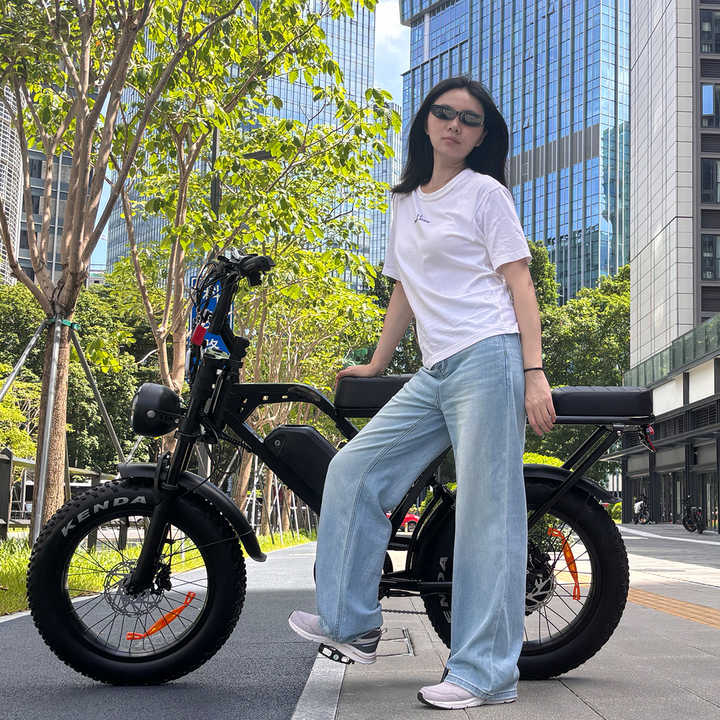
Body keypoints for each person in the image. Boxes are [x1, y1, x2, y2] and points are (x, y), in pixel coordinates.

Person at [288, 76, 556, 710]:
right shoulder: (404, 201)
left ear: (482, 136)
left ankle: (484, 674)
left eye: (470, 119)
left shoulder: (485, 193)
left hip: (489, 356)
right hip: (435, 371)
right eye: (444, 113)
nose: (455, 125)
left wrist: (533, 370)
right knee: (353, 470)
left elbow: (519, 283)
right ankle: (351, 624)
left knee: (486, 518)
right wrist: (376, 363)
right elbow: (404, 288)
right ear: (426, 123)